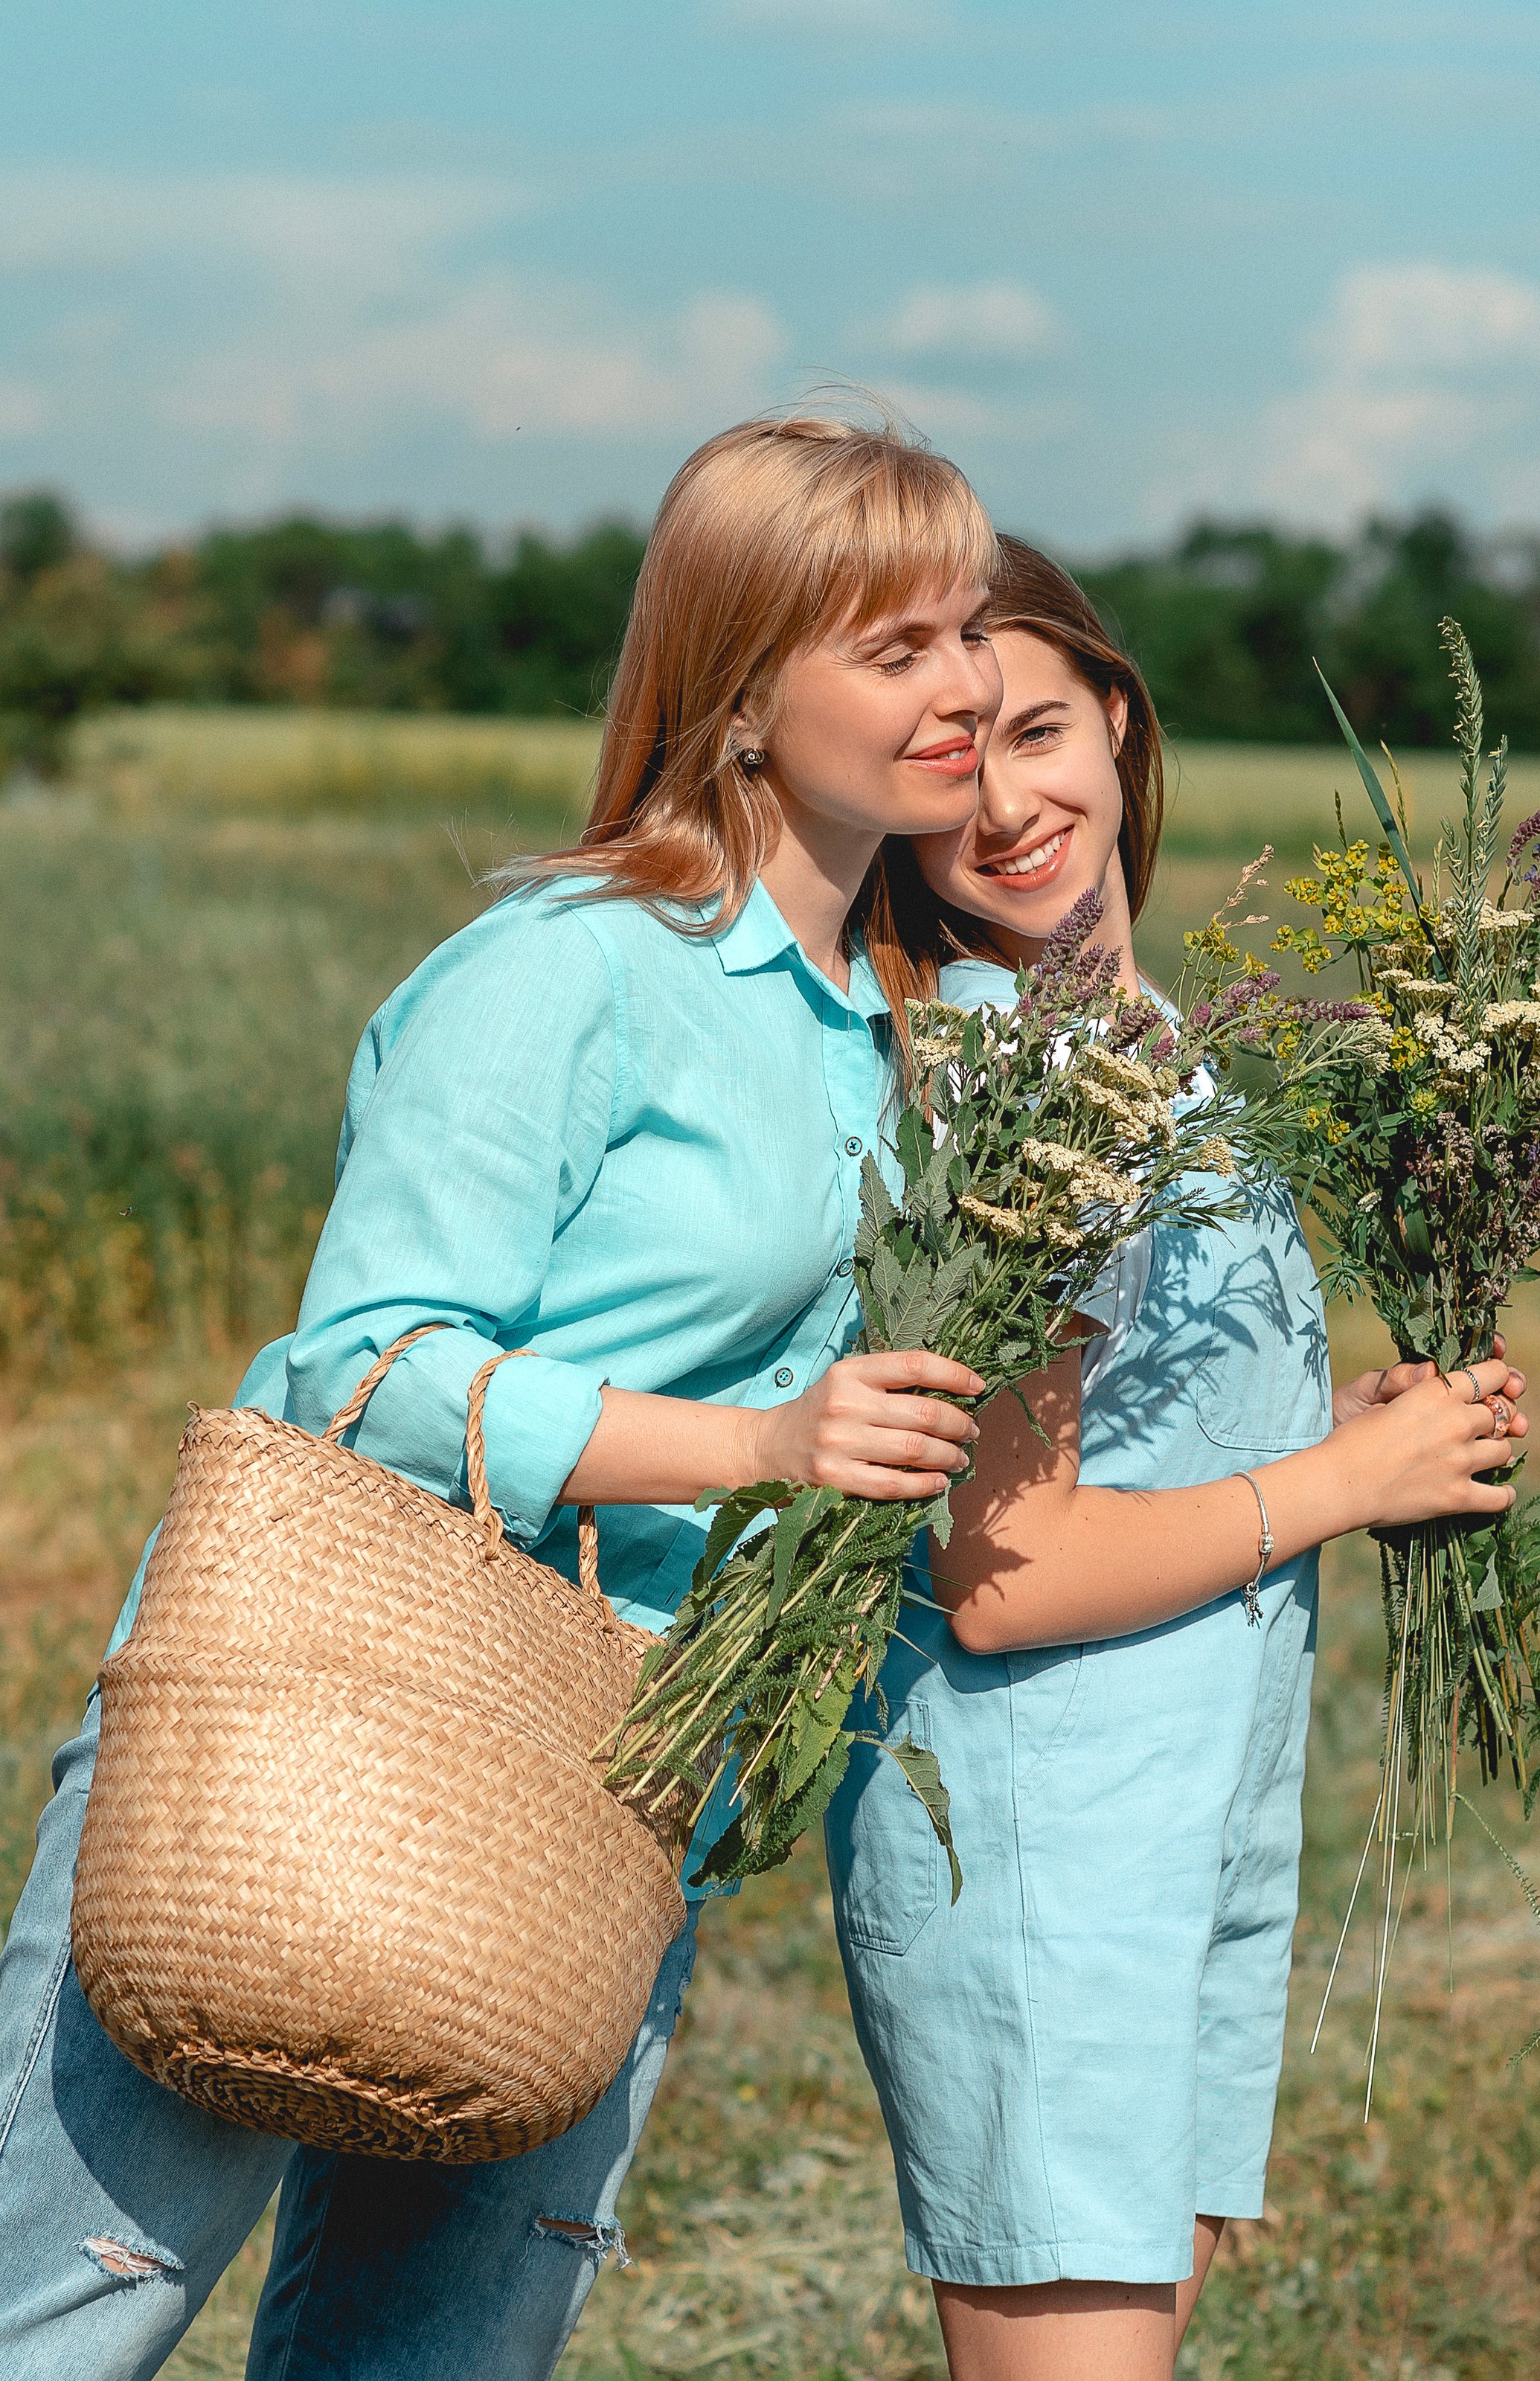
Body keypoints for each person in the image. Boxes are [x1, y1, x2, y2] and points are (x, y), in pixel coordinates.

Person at [0, 414, 1004, 2381]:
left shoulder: (910, 1029)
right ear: (737, 697)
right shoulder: (572, 970)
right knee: (54, 2329)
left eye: (970, 629)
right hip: (327, 1743)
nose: (966, 686)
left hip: (619, 1790)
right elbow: (362, 1365)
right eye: (897, 649)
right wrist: (763, 1450)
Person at [827, 537, 1529, 2381]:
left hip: (1173, 1828)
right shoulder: (1009, 1080)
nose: (1005, 802)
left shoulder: (1151, 1053)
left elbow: (1129, 1437)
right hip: (1041, 1849)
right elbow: (1004, 1575)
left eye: (1036, 728)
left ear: (1119, 722)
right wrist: (1336, 1491)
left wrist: (1340, 1433)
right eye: (947, 759)